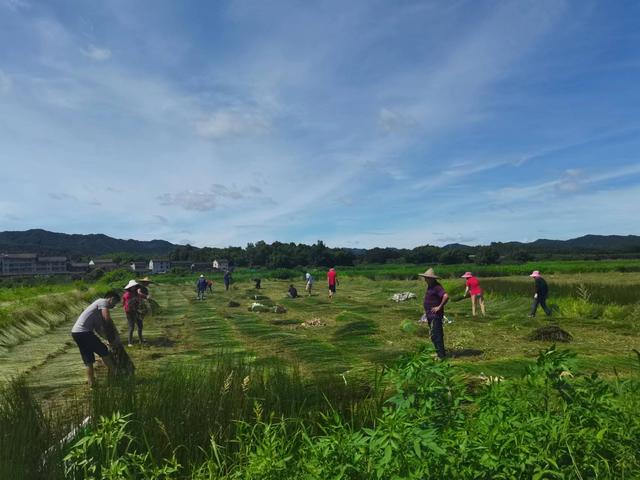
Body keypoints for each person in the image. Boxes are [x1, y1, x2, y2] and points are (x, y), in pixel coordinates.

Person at [71, 290, 120, 387]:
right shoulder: (102, 301)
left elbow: (98, 329)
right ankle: (117, 375)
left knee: (88, 360)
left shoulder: (97, 311)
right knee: (104, 352)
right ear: (111, 299)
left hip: (76, 333)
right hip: (84, 332)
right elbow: (107, 320)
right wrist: (113, 336)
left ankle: (92, 383)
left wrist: (107, 339)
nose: (114, 306)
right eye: (115, 303)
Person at [419, 268, 449, 360]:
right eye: (425, 277)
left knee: (437, 334)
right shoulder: (430, 286)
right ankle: (438, 352)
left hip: (435, 316)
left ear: (431, 278)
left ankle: (441, 356)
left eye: (427, 278)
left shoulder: (437, 286)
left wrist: (439, 307)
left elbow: (446, 296)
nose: (425, 279)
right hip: (430, 315)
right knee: (433, 335)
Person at [123, 280, 147, 347]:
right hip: (129, 312)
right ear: (130, 287)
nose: (134, 287)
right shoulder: (127, 294)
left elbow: (140, 298)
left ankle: (141, 340)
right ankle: (129, 342)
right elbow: (127, 304)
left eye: (134, 286)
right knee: (131, 327)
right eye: (132, 286)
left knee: (140, 325)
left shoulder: (136, 293)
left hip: (136, 311)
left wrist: (146, 298)